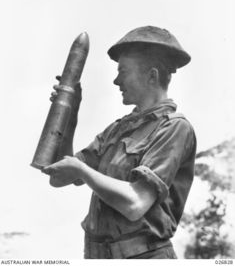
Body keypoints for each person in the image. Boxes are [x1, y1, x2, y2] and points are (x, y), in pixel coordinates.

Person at [42, 26, 197, 259]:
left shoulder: (174, 128)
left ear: (152, 76)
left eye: (122, 71)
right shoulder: (118, 129)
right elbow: (59, 177)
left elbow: (135, 203)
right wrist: (69, 116)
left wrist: (82, 170)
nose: (116, 81)